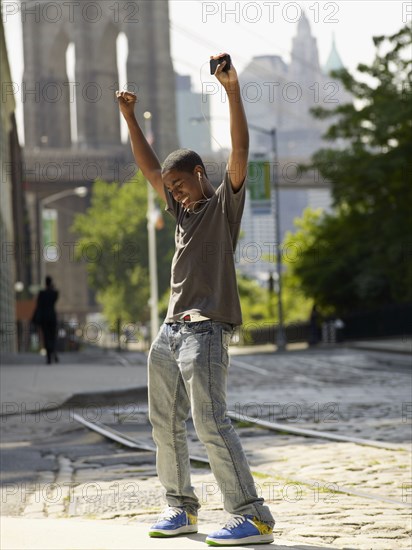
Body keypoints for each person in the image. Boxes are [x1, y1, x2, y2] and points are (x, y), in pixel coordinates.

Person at [116, 53, 275, 546]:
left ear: (201, 174)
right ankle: (180, 507)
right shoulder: (181, 213)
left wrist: (231, 90)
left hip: (205, 329)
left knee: (209, 419)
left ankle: (251, 514)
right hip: (169, 331)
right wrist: (128, 119)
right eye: (171, 191)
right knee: (163, 421)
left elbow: (241, 152)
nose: (178, 196)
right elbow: (148, 164)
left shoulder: (223, 204)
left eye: (182, 185)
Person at [32, 276, 59, 364]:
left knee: (46, 337)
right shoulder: (54, 293)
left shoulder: (42, 293)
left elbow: (38, 305)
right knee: (53, 337)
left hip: (44, 318)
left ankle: (49, 358)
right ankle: (54, 353)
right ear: (51, 282)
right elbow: (55, 299)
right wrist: (52, 288)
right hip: (52, 317)